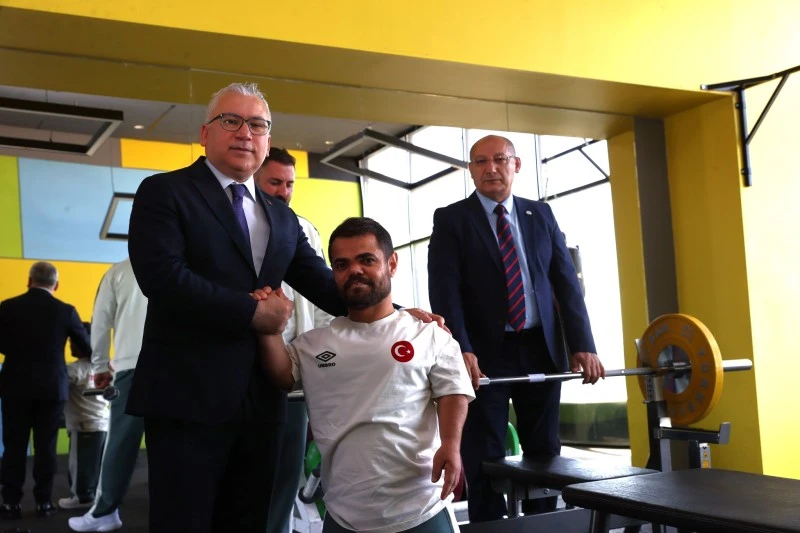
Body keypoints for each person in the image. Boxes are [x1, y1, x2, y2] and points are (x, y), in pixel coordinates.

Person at [126, 82, 441, 533]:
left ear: (267, 139)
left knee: (250, 521)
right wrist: (251, 312)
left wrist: (402, 316)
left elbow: (329, 286)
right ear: (205, 133)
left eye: (257, 125)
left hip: (262, 401)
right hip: (187, 395)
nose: (244, 133)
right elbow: (162, 278)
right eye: (231, 121)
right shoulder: (165, 192)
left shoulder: (282, 217)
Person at [427, 135, 605, 521]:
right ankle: (491, 528)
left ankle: (545, 526)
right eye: (480, 162)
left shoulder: (540, 214)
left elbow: (565, 283)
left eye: (499, 159)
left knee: (545, 454)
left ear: (516, 164)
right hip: (483, 354)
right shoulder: (452, 219)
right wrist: (460, 349)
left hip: (541, 347)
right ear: (471, 170)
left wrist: (583, 344)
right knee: (485, 455)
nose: (490, 168)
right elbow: (445, 291)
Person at [258, 217, 474, 533]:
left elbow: (452, 389)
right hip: (345, 516)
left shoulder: (428, 333)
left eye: (367, 260)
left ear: (392, 263)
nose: (354, 270)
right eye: (342, 264)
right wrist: (270, 327)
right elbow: (282, 376)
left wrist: (452, 445)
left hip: (422, 510)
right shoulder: (313, 344)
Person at [255, 147, 333, 533]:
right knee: (250, 472)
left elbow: (323, 297)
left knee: (288, 469)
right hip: (247, 363)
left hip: (294, 368)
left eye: (289, 184)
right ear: (254, 179)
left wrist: (325, 353)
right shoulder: (237, 226)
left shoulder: (304, 229)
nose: (283, 191)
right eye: (275, 182)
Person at [0, 261, 91, 520]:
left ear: (29, 281)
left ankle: (11, 503)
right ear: (56, 285)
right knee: (46, 447)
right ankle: (43, 503)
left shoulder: (7, 307)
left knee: (14, 446)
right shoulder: (66, 311)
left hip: (14, 385)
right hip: (52, 387)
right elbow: (85, 346)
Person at [68, 257, 147, 532]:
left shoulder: (119, 271)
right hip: (180, 364)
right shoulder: (187, 262)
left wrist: (100, 365)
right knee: (177, 443)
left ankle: (105, 511)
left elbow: (101, 321)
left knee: (121, 442)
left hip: (132, 364)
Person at [60, 322, 109, 512]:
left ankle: (81, 497)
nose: (70, 345)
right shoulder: (102, 367)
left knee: (79, 464)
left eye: (72, 341)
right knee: (95, 464)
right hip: (102, 423)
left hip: (84, 426)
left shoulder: (73, 370)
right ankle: (91, 494)